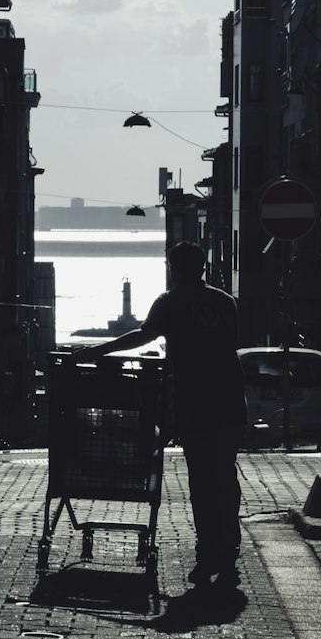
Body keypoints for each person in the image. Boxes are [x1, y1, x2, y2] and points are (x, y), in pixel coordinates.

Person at [79, 240, 246, 585]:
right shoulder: (225, 302)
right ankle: (228, 551)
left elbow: (144, 335)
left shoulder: (170, 302)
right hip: (229, 399)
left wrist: (101, 349)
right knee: (225, 476)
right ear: (203, 267)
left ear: (173, 267)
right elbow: (230, 346)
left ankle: (208, 554)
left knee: (201, 480)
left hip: (195, 402)